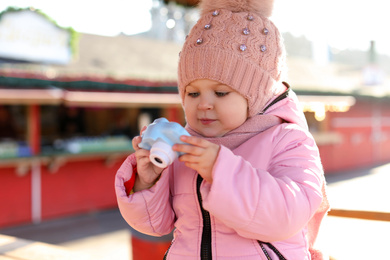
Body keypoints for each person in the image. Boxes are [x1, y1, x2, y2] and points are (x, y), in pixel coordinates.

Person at [115, 0, 330, 259]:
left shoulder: (289, 140)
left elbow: (287, 216)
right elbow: (154, 225)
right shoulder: (185, 145)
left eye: (220, 92)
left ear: (257, 94)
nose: (204, 104)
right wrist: (147, 181)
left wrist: (220, 170)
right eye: (192, 93)